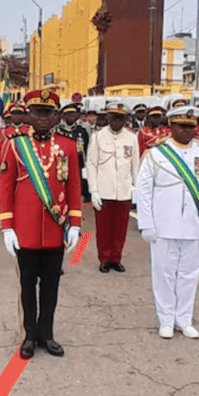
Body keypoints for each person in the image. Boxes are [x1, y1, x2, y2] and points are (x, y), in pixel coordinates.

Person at [0, 89, 82, 359]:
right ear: (28, 115)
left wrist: (76, 223)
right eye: (37, 113)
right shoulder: (15, 144)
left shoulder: (67, 146)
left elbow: (74, 186)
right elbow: (6, 187)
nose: (42, 118)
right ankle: (29, 335)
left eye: (48, 113)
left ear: (56, 116)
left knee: (51, 286)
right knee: (27, 285)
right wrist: (8, 227)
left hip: (56, 230)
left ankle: (47, 333)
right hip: (25, 230)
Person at [135, 106, 199, 339]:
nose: (186, 131)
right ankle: (165, 319)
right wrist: (146, 223)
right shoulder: (156, 155)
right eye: (182, 126)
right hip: (164, 224)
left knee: (189, 275)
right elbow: (144, 191)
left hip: (194, 225)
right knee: (163, 273)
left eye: (191, 127)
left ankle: (184, 319)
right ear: (171, 126)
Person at [86, 103, 139, 273]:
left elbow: (135, 164)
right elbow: (92, 165)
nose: (117, 121)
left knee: (120, 228)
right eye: (114, 117)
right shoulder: (98, 137)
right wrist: (93, 190)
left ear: (125, 119)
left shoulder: (132, 138)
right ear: (108, 118)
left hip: (123, 190)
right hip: (104, 189)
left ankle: (116, 257)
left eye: (121, 118)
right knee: (103, 229)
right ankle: (104, 258)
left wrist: (136, 188)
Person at [58, 101, 90, 202]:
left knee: (77, 183)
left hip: (78, 161)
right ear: (63, 116)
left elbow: (87, 146)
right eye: (68, 114)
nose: (71, 117)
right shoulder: (59, 130)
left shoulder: (81, 130)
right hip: (63, 161)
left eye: (73, 114)